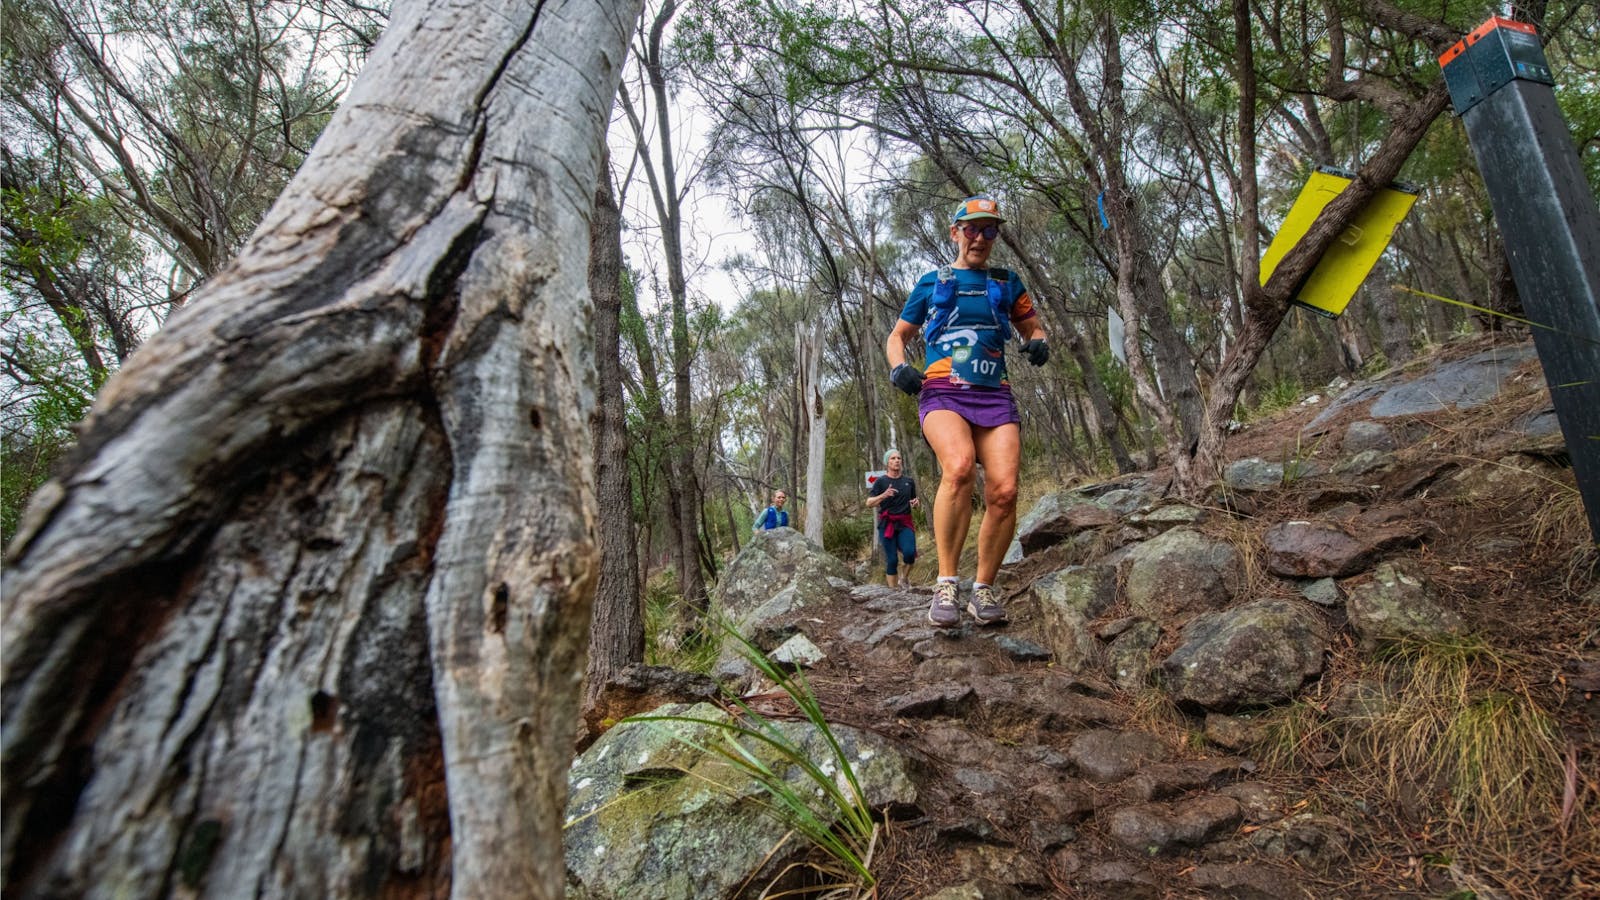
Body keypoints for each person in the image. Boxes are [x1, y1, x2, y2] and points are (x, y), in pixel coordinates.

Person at [884, 194, 1049, 628]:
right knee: (957, 468)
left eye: (989, 230)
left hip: (995, 393)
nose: (980, 237)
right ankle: (945, 584)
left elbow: (1031, 324)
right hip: (942, 391)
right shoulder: (931, 282)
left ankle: (983, 590)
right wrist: (898, 368)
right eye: (972, 229)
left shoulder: (1007, 281)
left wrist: (1037, 341)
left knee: (1005, 491)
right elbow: (897, 336)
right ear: (955, 232)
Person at [866, 448, 920, 587]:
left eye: (898, 458)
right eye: (893, 458)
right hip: (887, 524)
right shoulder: (881, 482)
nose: (896, 461)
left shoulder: (909, 481)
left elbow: (914, 500)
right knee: (892, 560)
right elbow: (869, 503)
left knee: (909, 554)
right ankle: (893, 593)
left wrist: (915, 503)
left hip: (904, 523)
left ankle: (904, 578)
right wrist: (884, 495)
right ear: (887, 463)